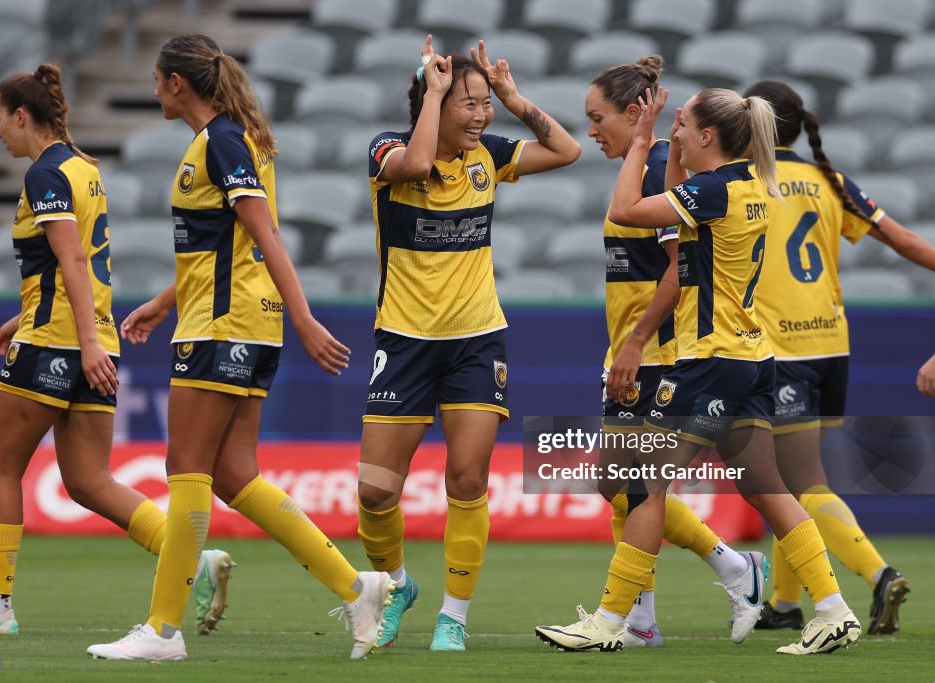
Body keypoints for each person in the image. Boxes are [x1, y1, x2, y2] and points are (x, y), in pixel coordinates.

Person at [85, 34, 393, 663]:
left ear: (178, 83)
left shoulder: (221, 142)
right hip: (246, 323)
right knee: (235, 475)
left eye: (156, 78)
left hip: (223, 326)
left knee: (187, 469)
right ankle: (356, 587)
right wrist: (165, 301)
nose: (152, 89)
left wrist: (307, 319)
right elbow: (225, 246)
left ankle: (163, 631)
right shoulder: (231, 140)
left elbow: (266, 234)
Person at [536, 86, 861, 655]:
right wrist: (671, 158)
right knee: (765, 486)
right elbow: (675, 211)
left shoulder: (713, 191)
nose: (673, 136)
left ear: (707, 135)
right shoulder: (746, 184)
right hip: (754, 356)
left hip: (712, 360)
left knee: (642, 484)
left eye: (681, 126)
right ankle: (833, 610)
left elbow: (625, 211)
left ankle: (612, 622)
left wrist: (639, 143)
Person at [0, 64, 236, 637]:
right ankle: (191, 558)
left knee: (0, 465)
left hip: (57, 345)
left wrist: (78, 339)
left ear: (22, 117)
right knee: (89, 481)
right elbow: (76, 265)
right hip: (88, 340)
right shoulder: (84, 169)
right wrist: (36, 317)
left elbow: (72, 260)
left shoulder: (45, 176)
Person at [355, 36, 581, 651]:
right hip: (402, 340)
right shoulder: (386, 150)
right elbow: (418, 165)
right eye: (471, 103)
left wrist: (515, 99)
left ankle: (453, 616)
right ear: (434, 101)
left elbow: (567, 149)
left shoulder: (492, 154)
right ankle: (398, 584)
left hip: (477, 340)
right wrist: (432, 93)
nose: (481, 115)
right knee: (374, 491)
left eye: (485, 104)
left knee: (466, 480)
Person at [585, 56, 769, 648]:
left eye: (598, 118)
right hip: (634, 348)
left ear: (634, 114)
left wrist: (638, 343)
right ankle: (732, 567)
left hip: (666, 352)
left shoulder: (667, 168)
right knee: (616, 480)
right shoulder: (655, 166)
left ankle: (636, 620)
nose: (593, 131)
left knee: (639, 481)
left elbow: (678, 271)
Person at [742, 79, 935, 635]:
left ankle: (878, 575)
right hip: (831, 345)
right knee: (784, 479)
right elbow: (901, 240)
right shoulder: (829, 179)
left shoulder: (745, 181)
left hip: (779, 351)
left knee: (799, 483)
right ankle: (782, 602)